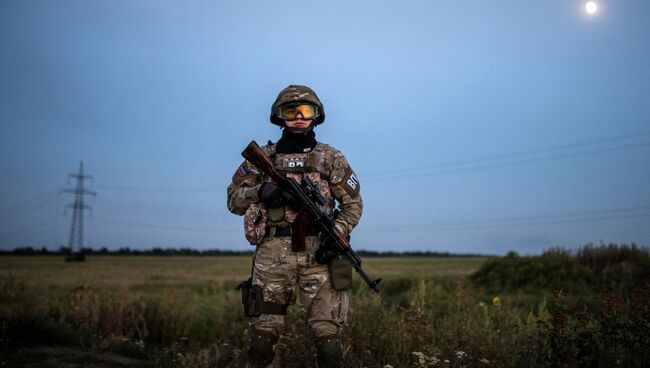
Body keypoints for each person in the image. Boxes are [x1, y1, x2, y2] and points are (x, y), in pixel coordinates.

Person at [227, 85, 363, 368]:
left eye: (306, 111)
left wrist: (336, 234)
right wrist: (260, 192)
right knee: (263, 335)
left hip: (320, 255)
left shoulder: (330, 158)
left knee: (328, 337)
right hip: (273, 253)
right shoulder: (262, 158)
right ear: (279, 116)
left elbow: (353, 204)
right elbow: (233, 200)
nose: (299, 117)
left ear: (316, 116)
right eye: (291, 112)